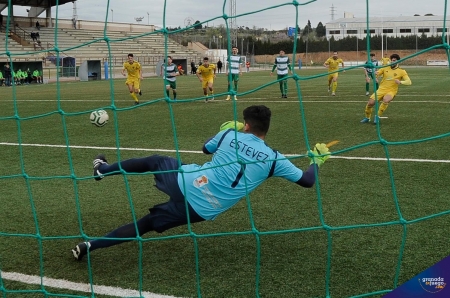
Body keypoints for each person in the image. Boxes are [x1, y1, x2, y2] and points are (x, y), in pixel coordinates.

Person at [71, 105, 330, 261]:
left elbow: (205, 149)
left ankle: (103, 170)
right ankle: (90, 246)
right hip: (202, 210)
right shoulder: (275, 159)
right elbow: (307, 181)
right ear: (266, 129)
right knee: (145, 225)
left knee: (154, 160)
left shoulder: (230, 134)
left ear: (246, 124)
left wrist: (229, 130)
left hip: (186, 181)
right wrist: (316, 160)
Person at [360, 54, 412, 124]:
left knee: (386, 99)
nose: (392, 62)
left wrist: (400, 82)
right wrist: (375, 74)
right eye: (392, 60)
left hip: (391, 91)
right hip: (381, 89)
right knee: (370, 103)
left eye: (394, 60)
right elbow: (377, 73)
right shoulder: (385, 68)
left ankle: (377, 116)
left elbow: (409, 82)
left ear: (398, 61)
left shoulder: (402, 71)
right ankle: (367, 117)